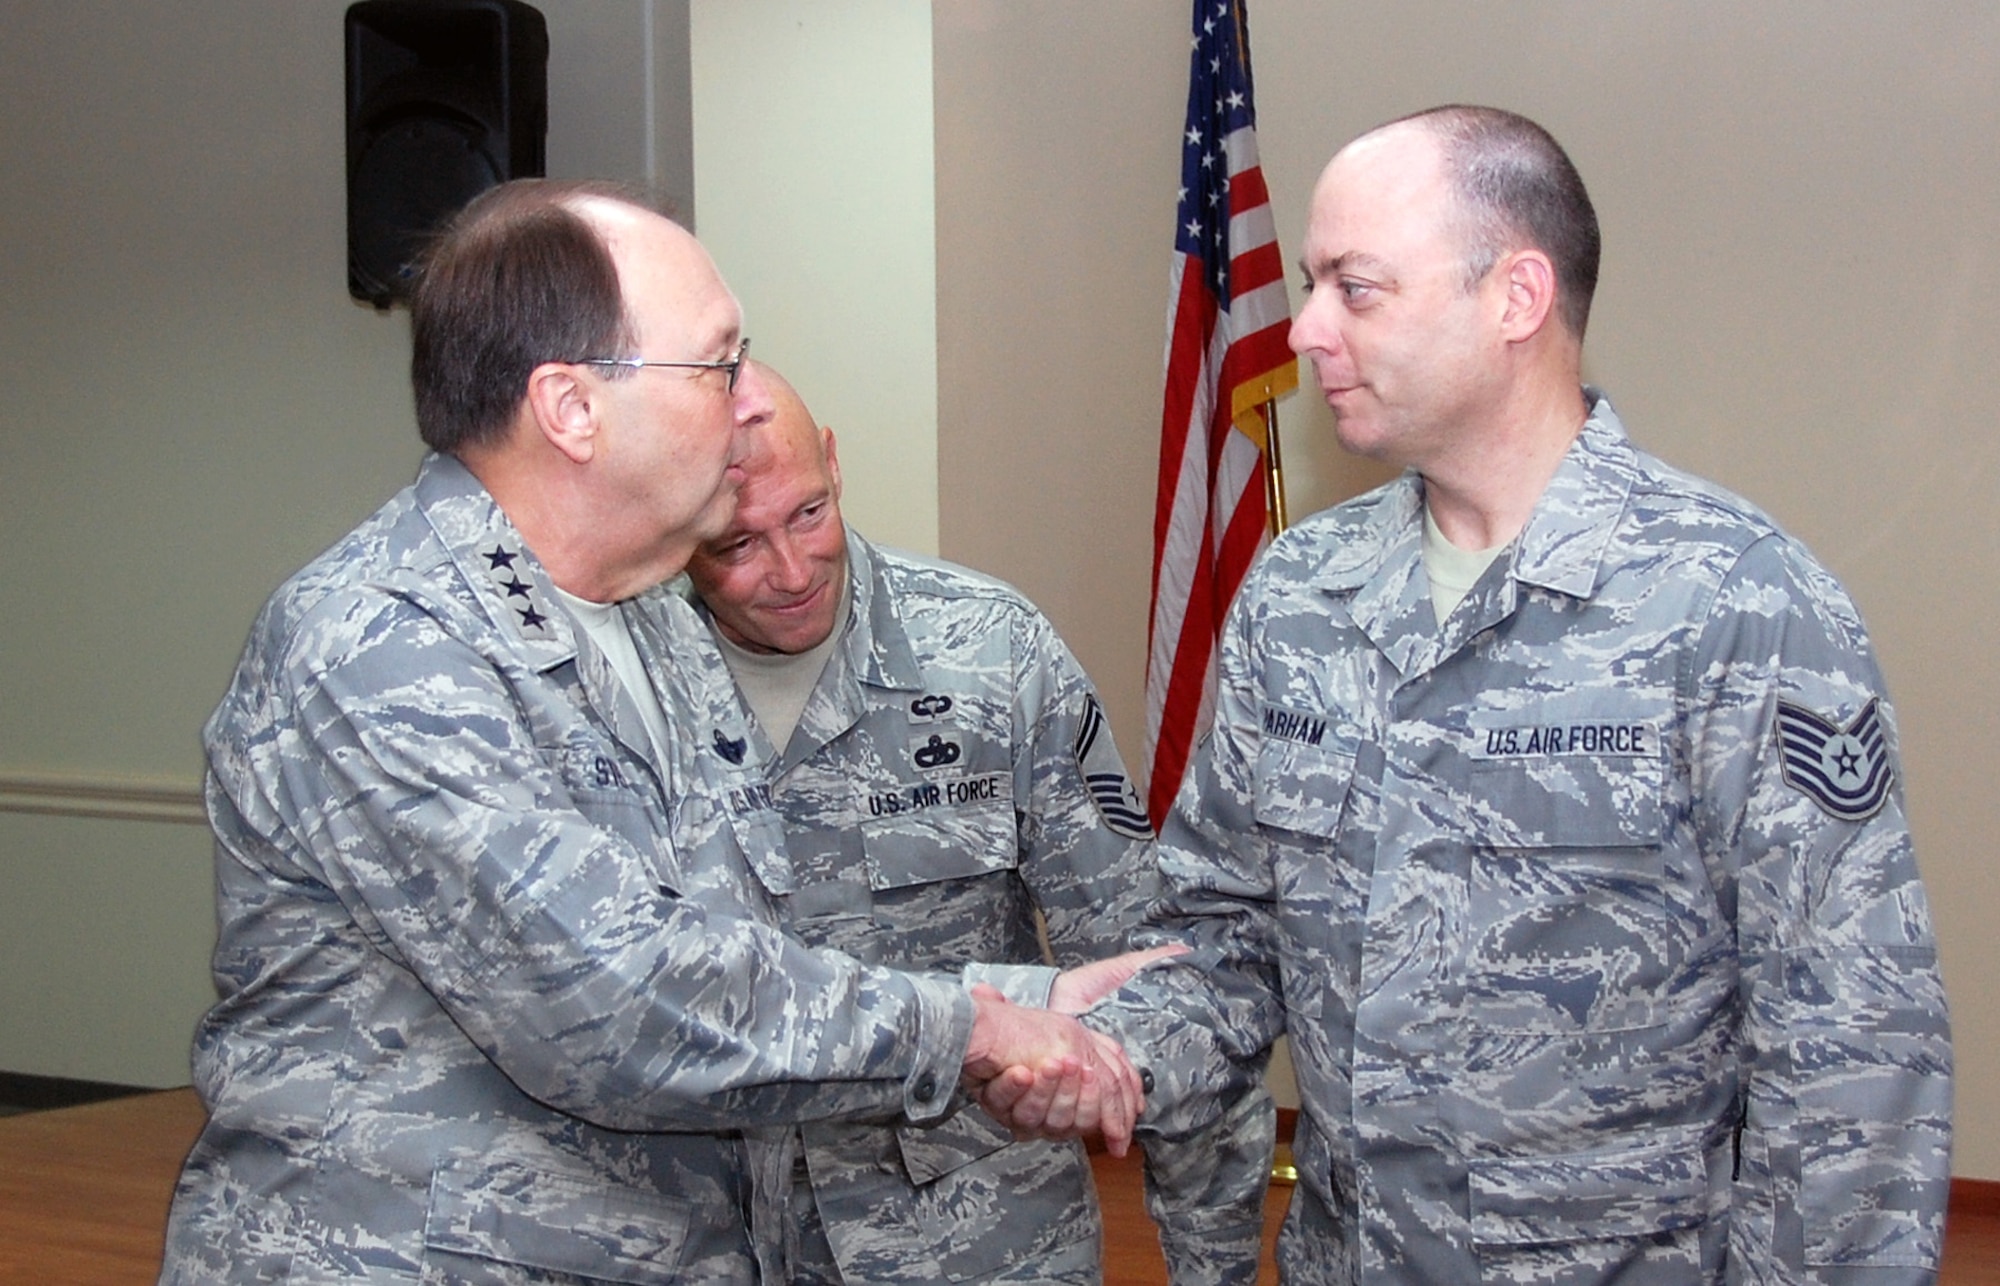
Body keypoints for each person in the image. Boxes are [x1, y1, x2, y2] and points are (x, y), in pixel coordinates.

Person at [993, 105, 1954, 1284]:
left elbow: (1850, 1055)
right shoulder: (1299, 595)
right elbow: (1224, 944)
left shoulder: (1739, 606)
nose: (1304, 329)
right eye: (1309, 283)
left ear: (1514, 298)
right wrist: (1105, 1050)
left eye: (1356, 287)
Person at [159, 178, 1142, 1285]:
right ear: (572, 408)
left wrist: (1021, 1001)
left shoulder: (654, 621)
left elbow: (741, 947)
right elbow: (616, 1001)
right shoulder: (382, 644)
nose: (743, 404)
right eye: (716, 364)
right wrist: (971, 1026)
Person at [678, 368, 1272, 1285]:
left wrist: (1214, 1266)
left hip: (978, 1245)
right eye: (736, 545)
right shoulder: (625, 690)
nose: (792, 574)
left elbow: (1157, 984)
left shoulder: (991, 653)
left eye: (808, 515)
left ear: (835, 463)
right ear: (673, 526)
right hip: (710, 1243)